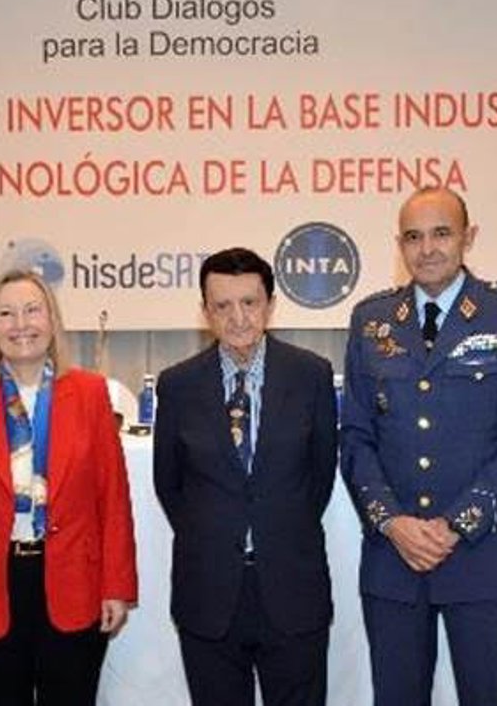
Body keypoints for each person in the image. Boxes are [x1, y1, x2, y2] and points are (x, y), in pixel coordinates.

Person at [340, 187, 497, 706]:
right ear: (399, 245)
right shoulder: (372, 320)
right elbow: (357, 438)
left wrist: (457, 524)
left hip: (482, 557)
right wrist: (392, 521)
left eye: (441, 234)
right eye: (413, 237)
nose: (427, 248)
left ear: (468, 237)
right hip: (394, 559)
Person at [0, 268, 137, 705]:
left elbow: (113, 498)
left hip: (75, 584)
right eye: (6, 313)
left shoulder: (91, 393)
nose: (20, 324)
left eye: (32, 310)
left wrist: (117, 586)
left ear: (52, 320)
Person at [153, 247, 338, 706]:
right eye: (222, 305)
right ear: (205, 312)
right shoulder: (177, 385)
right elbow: (169, 484)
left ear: (271, 305)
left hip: (292, 589)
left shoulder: (312, 375)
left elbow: (320, 477)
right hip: (209, 593)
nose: (237, 318)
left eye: (249, 303)